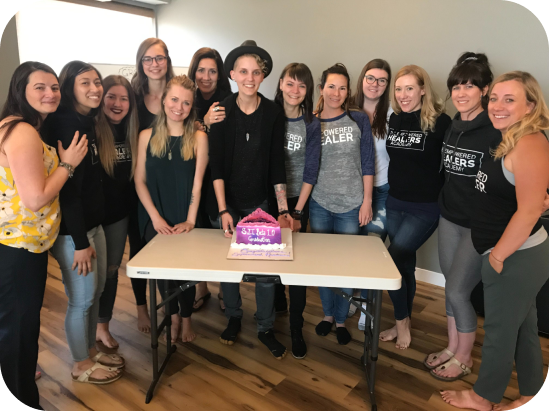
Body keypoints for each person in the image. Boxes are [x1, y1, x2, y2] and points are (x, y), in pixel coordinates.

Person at [442, 72, 549, 411]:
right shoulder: (510, 138)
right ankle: (530, 392)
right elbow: (523, 193)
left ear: (530, 105)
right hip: (510, 252)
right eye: (495, 99)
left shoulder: (529, 142)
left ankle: (482, 398)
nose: (498, 106)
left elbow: (529, 210)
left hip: (515, 255)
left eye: (510, 99)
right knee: (523, 329)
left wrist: (497, 257)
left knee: (500, 333)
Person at [0, 61, 87, 409]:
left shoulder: (21, 127)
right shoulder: (22, 131)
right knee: (18, 333)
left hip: (21, 246)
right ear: (20, 90)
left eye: (54, 87)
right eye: (40, 87)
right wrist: (68, 164)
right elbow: (35, 198)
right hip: (18, 248)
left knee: (16, 329)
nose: (50, 93)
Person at [209, 40, 293, 359]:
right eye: (243, 71)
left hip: (261, 205)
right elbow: (216, 165)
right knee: (229, 270)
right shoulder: (221, 111)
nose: (250, 77)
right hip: (227, 204)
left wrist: (282, 209)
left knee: (265, 272)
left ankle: (265, 326)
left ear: (263, 76)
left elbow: (277, 164)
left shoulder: (272, 112)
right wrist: (223, 209)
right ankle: (233, 317)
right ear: (232, 74)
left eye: (256, 72)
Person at [42, 61, 124, 384]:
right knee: (82, 300)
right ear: (69, 88)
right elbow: (67, 193)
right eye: (85, 83)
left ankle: (90, 350)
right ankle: (80, 364)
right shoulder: (66, 126)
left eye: (97, 82)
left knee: (96, 291)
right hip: (73, 233)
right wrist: (79, 243)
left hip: (93, 225)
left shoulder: (87, 121)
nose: (95, 88)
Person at [424, 53, 498, 381]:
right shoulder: (453, 125)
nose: (461, 92)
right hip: (449, 217)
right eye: (456, 86)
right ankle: (452, 347)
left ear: (484, 90)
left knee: (457, 291)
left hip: (477, 225)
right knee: (449, 287)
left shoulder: (495, 129)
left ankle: (465, 357)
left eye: (469, 86)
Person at [379, 65, 451, 349]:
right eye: (399, 89)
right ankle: (404, 319)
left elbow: (453, 164)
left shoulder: (441, 122)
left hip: (425, 207)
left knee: (392, 259)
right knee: (405, 266)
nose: (403, 94)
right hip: (395, 201)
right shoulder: (395, 119)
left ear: (423, 90)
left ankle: (401, 323)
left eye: (409, 88)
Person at [134, 74, 208, 343]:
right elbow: (140, 181)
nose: (179, 107)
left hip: (185, 214)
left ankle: (186, 318)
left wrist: (190, 220)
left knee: (185, 271)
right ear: (164, 100)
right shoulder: (146, 136)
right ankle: (172, 316)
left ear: (191, 107)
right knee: (163, 273)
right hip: (154, 216)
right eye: (174, 99)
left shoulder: (199, 137)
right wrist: (154, 217)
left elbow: (197, 184)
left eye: (186, 103)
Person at [310, 63, 375, 346]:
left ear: (348, 91)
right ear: (321, 88)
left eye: (342, 88)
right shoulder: (312, 122)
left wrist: (367, 201)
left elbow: (367, 162)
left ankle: (340, 319)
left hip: (351, 204)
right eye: (331, 86)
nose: (336, 93)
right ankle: (327, 315)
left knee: (346, 265)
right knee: (323, 264)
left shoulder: (358, 119)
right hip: (320, 203)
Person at [272, 62, 321, 358]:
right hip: (271, 200)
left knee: (297, 265)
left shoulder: (311, 123)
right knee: (272, 258)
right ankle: (277, 304)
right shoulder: (269, 116)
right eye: (290, 83)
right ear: (280, 84)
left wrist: (298, 211)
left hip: (299, 201)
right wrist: (280, 209)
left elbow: (311, 170)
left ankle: (295, 326)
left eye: (302, 85)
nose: (295, 90)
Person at [130, 38, 175, 333]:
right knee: (139, 248)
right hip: (139, 182)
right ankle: (141, 308)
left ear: (167, 61)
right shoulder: (133, 99)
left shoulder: (179, 94)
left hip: (172, 185)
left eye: (159, 58)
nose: (154, 64)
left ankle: (174, 310)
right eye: (148, 59)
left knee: (174, 248)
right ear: (141, 63)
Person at [348, 59, 393, 329]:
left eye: (382, 80)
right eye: (371, 78)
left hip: (383, 191)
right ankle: (354, 296)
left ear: (387, 85)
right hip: (352, 191)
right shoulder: (347, 111)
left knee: (372, 249)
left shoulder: (393, 115)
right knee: (353, 248)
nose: (375, 84)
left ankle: (367, 305)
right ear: (362, 79)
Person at [187, 47, 232, 312]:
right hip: (192, 177)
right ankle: (201, 287)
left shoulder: (227, 101)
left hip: (218, 177)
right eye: (201, 70)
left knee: (221, 234)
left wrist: (201, 126)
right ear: (194, 72)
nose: (206, 76)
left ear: (220, 74)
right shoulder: (186, 98)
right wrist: (203, 122)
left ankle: (226, 289)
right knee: (196, 234)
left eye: (212, 71)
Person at [95, 75, 139, 349]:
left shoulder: (133, 132)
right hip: (91, 220)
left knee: (111, 272)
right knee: (91, 278)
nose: (117, 103)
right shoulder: (91, 130)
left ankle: (102, 326)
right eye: (111, 96)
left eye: (124, 98)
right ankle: (84, 332)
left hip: (118, 217)